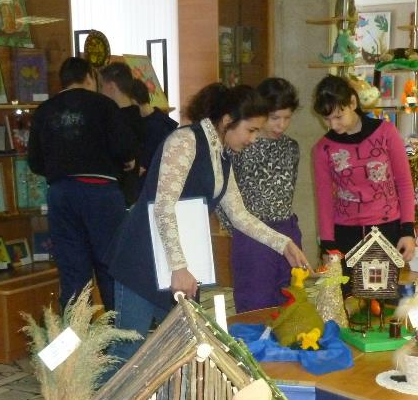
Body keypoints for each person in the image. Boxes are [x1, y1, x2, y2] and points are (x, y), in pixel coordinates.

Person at [107, 83, 310, 363]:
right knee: (127, 353)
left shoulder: (222, 155)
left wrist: (283, 243)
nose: (253, 139)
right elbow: (163, 207)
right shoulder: (185, 141)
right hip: (142, 261)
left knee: (185, 351)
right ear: (227, 121)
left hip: (178, 267)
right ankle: (86, 395)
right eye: (251, 130)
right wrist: (179, 267)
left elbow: (239, 215)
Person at [28, 57, 137, 310]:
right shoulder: (104, 105)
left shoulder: (44, 110)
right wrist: (126, 161)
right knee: (111, 267)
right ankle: (117, 331)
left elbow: (35, 162)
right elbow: (124, 148)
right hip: (101, 192)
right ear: (89, 77)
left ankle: (77, 332)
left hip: (61, 194)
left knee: (72, 271)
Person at [311, 74, 415, 266]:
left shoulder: (386, 132)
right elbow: (324, 199)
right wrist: (327, 245)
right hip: (344, 234)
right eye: (327, 119)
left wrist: (408, 230)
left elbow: (404, 183)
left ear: (352, 102)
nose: (333, 125)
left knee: (382, 286)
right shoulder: (322, 149)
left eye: (338, 116)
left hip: (387, 229)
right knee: (344, 286)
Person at [222, 77, 302, 313]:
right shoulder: (239, 146)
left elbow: (288, 191)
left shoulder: (291, 147)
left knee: (291, 300)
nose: (281, 125)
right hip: (252, 234)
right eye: (275, 118)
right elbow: (222, 197)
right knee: (254, 303)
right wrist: (238, 231)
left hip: (287, 229)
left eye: (287, 118)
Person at [98, 61, 143, 205]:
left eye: (101, 86)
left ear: (111, 87)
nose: (99, 92)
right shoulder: (137, 115)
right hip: (130, 192)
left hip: (117, 193)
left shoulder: (116, 119)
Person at [130, 76, 178, 196]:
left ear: (133, 101)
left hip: (151, 189)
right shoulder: (161, 121)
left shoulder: (157, 127)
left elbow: (144, 167)